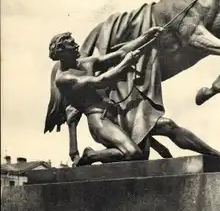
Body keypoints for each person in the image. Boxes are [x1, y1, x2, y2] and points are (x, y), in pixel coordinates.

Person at [49, 27, 163, 165]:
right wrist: (125, 63)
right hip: (99, 120)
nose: (77, 46)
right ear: (62, 52)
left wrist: (147, 36)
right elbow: (100, 81)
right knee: (133, 153)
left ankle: (94, 155)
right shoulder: (64, 78)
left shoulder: (86, 62)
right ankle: (91, 156)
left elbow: (121, 52)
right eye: (72, 45)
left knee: (140, 152)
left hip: (114, 113)